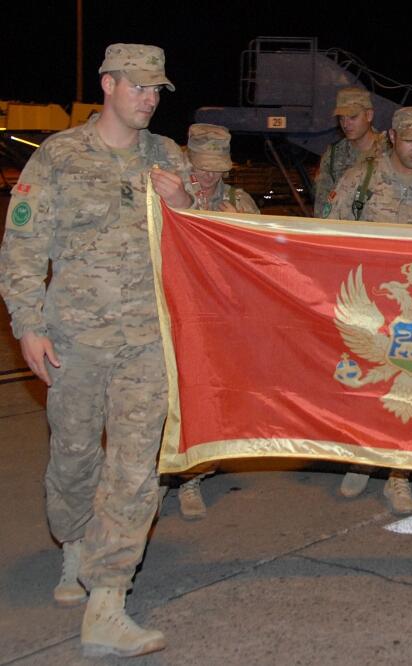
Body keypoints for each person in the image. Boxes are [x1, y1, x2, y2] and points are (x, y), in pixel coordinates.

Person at [0, 43, 195, 657]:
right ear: (107, 84)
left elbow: (212, 242)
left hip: (147, 339)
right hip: (74, 341)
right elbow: (24, 245)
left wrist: (184, 204)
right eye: (138, 86)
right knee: (75, 457)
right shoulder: (59, 156)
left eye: (156, 89)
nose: (148, 98)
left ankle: (108, 598)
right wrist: (27, 323)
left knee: (136, 469)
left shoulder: (169, 156)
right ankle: (75, 547)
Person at [326, 107, 412, 513]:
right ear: (391, 136)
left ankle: (397, 474)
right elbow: (330, 237)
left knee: (406, 393)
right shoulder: (361, 180)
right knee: (365, 387)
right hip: (368, 308)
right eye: (410, 140)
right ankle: (362, 457)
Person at [172, 123, 259, 521]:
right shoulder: (167, 194)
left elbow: (260, 266)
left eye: (215, 168)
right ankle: (157, 475)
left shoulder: (239, 202)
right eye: (200, 166)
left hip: (216, 322)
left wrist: (239, 229)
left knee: (204, 399)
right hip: (170, 313)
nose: (208, 176)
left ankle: (193, 477)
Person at [313, 86, 388, 218]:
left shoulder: (389, 152)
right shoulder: (333, 155)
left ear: (369, 115)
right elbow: (322, 206)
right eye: (342, 118)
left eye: (353, 117)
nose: (346, 124)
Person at [187, 123, 259, 214]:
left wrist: (237, 222)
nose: (210, 175)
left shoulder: (239, 200)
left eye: (217, 168)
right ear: (190, 164)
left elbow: (259, 228)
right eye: (203, 168)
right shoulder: (175, 196)